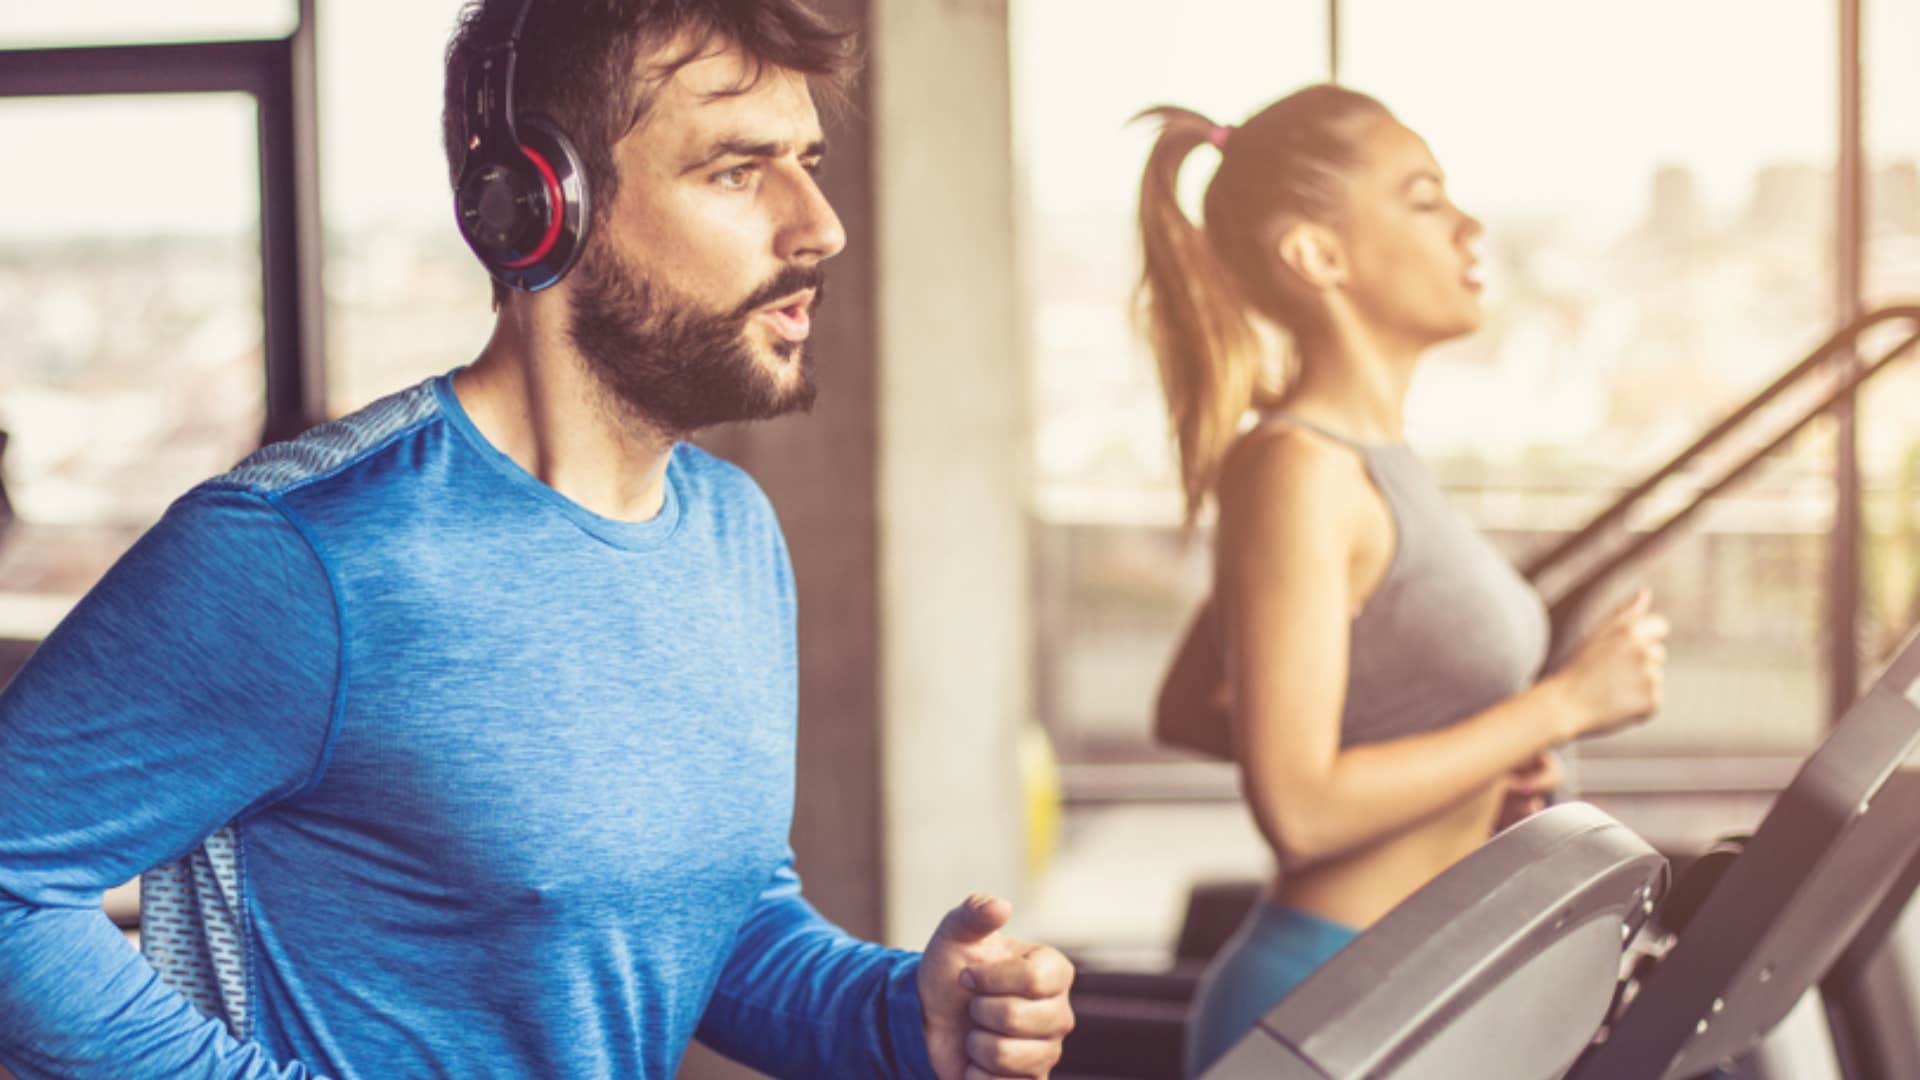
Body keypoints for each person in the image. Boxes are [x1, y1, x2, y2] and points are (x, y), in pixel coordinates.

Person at [0, 2, 1074, 1077]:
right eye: (738, 172)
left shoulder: (731, 532)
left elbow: (713, 914)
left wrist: (895, 1014)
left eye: (808, 160)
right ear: (538, 204)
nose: (821, 225)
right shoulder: (300, 555)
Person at [1131, 85, 1669, 1077]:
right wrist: (1555, 707)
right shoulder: (1296, 469)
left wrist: (1464, 763)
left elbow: (1195, 706)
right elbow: (1298, 805)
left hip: (1416, 980)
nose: (1467, 224)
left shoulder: (1364, 461)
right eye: (1423, 197)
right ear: (1317, 255)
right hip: (1330, 1004)